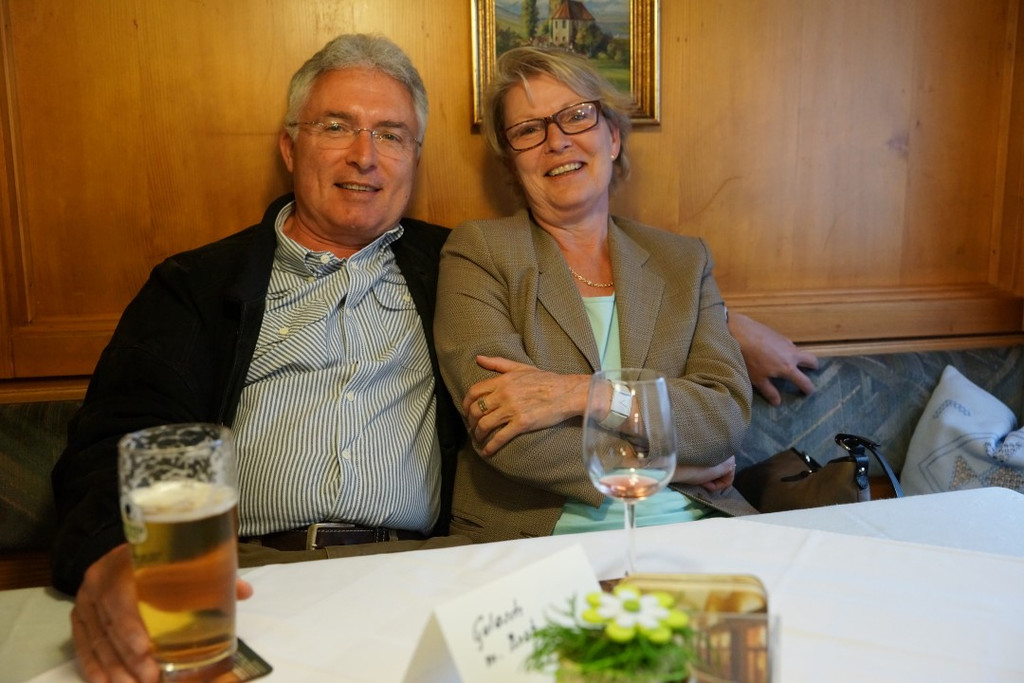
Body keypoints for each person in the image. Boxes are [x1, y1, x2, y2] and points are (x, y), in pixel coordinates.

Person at [49, 33, 465, 682]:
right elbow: (115, 440)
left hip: (419, 576)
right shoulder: (196, 284)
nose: (364, 156)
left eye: (391, 135)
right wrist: (112, 554)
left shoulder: (460, 269)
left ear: (414, 157)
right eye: (337, 127)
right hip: (248, 581)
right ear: (289, 147)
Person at [434, 46, 756, 543]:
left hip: (701, 528)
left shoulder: (683, 261)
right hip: (539, 542)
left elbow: (724, 418)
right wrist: (674, 466)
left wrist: (583, 394)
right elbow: (505, 432)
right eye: (528, 130)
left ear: (613, 137)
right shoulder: (480, 253)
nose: (557, 141)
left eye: (576, 116)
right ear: (511, 164)